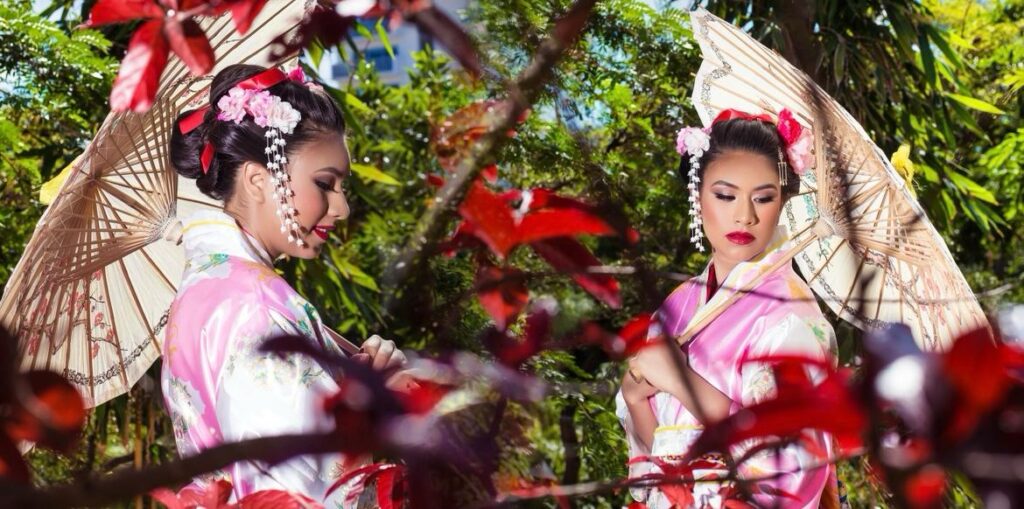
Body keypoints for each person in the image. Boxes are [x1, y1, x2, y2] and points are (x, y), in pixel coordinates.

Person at [161, 64, 407, 505]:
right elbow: (293, 490)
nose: (342, 208)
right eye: (325, 184)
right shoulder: (256, 308)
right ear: (259, 180)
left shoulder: (206, 290)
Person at [617, 109, 840, 508]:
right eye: (725, 195)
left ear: (781, 202)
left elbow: (794, 459)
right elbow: (662, 456)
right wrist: (635, 399)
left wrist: (684, 382)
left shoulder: (791, 315)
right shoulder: (678, 305)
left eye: (764, 197)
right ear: (697, 196)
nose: (745, 215)